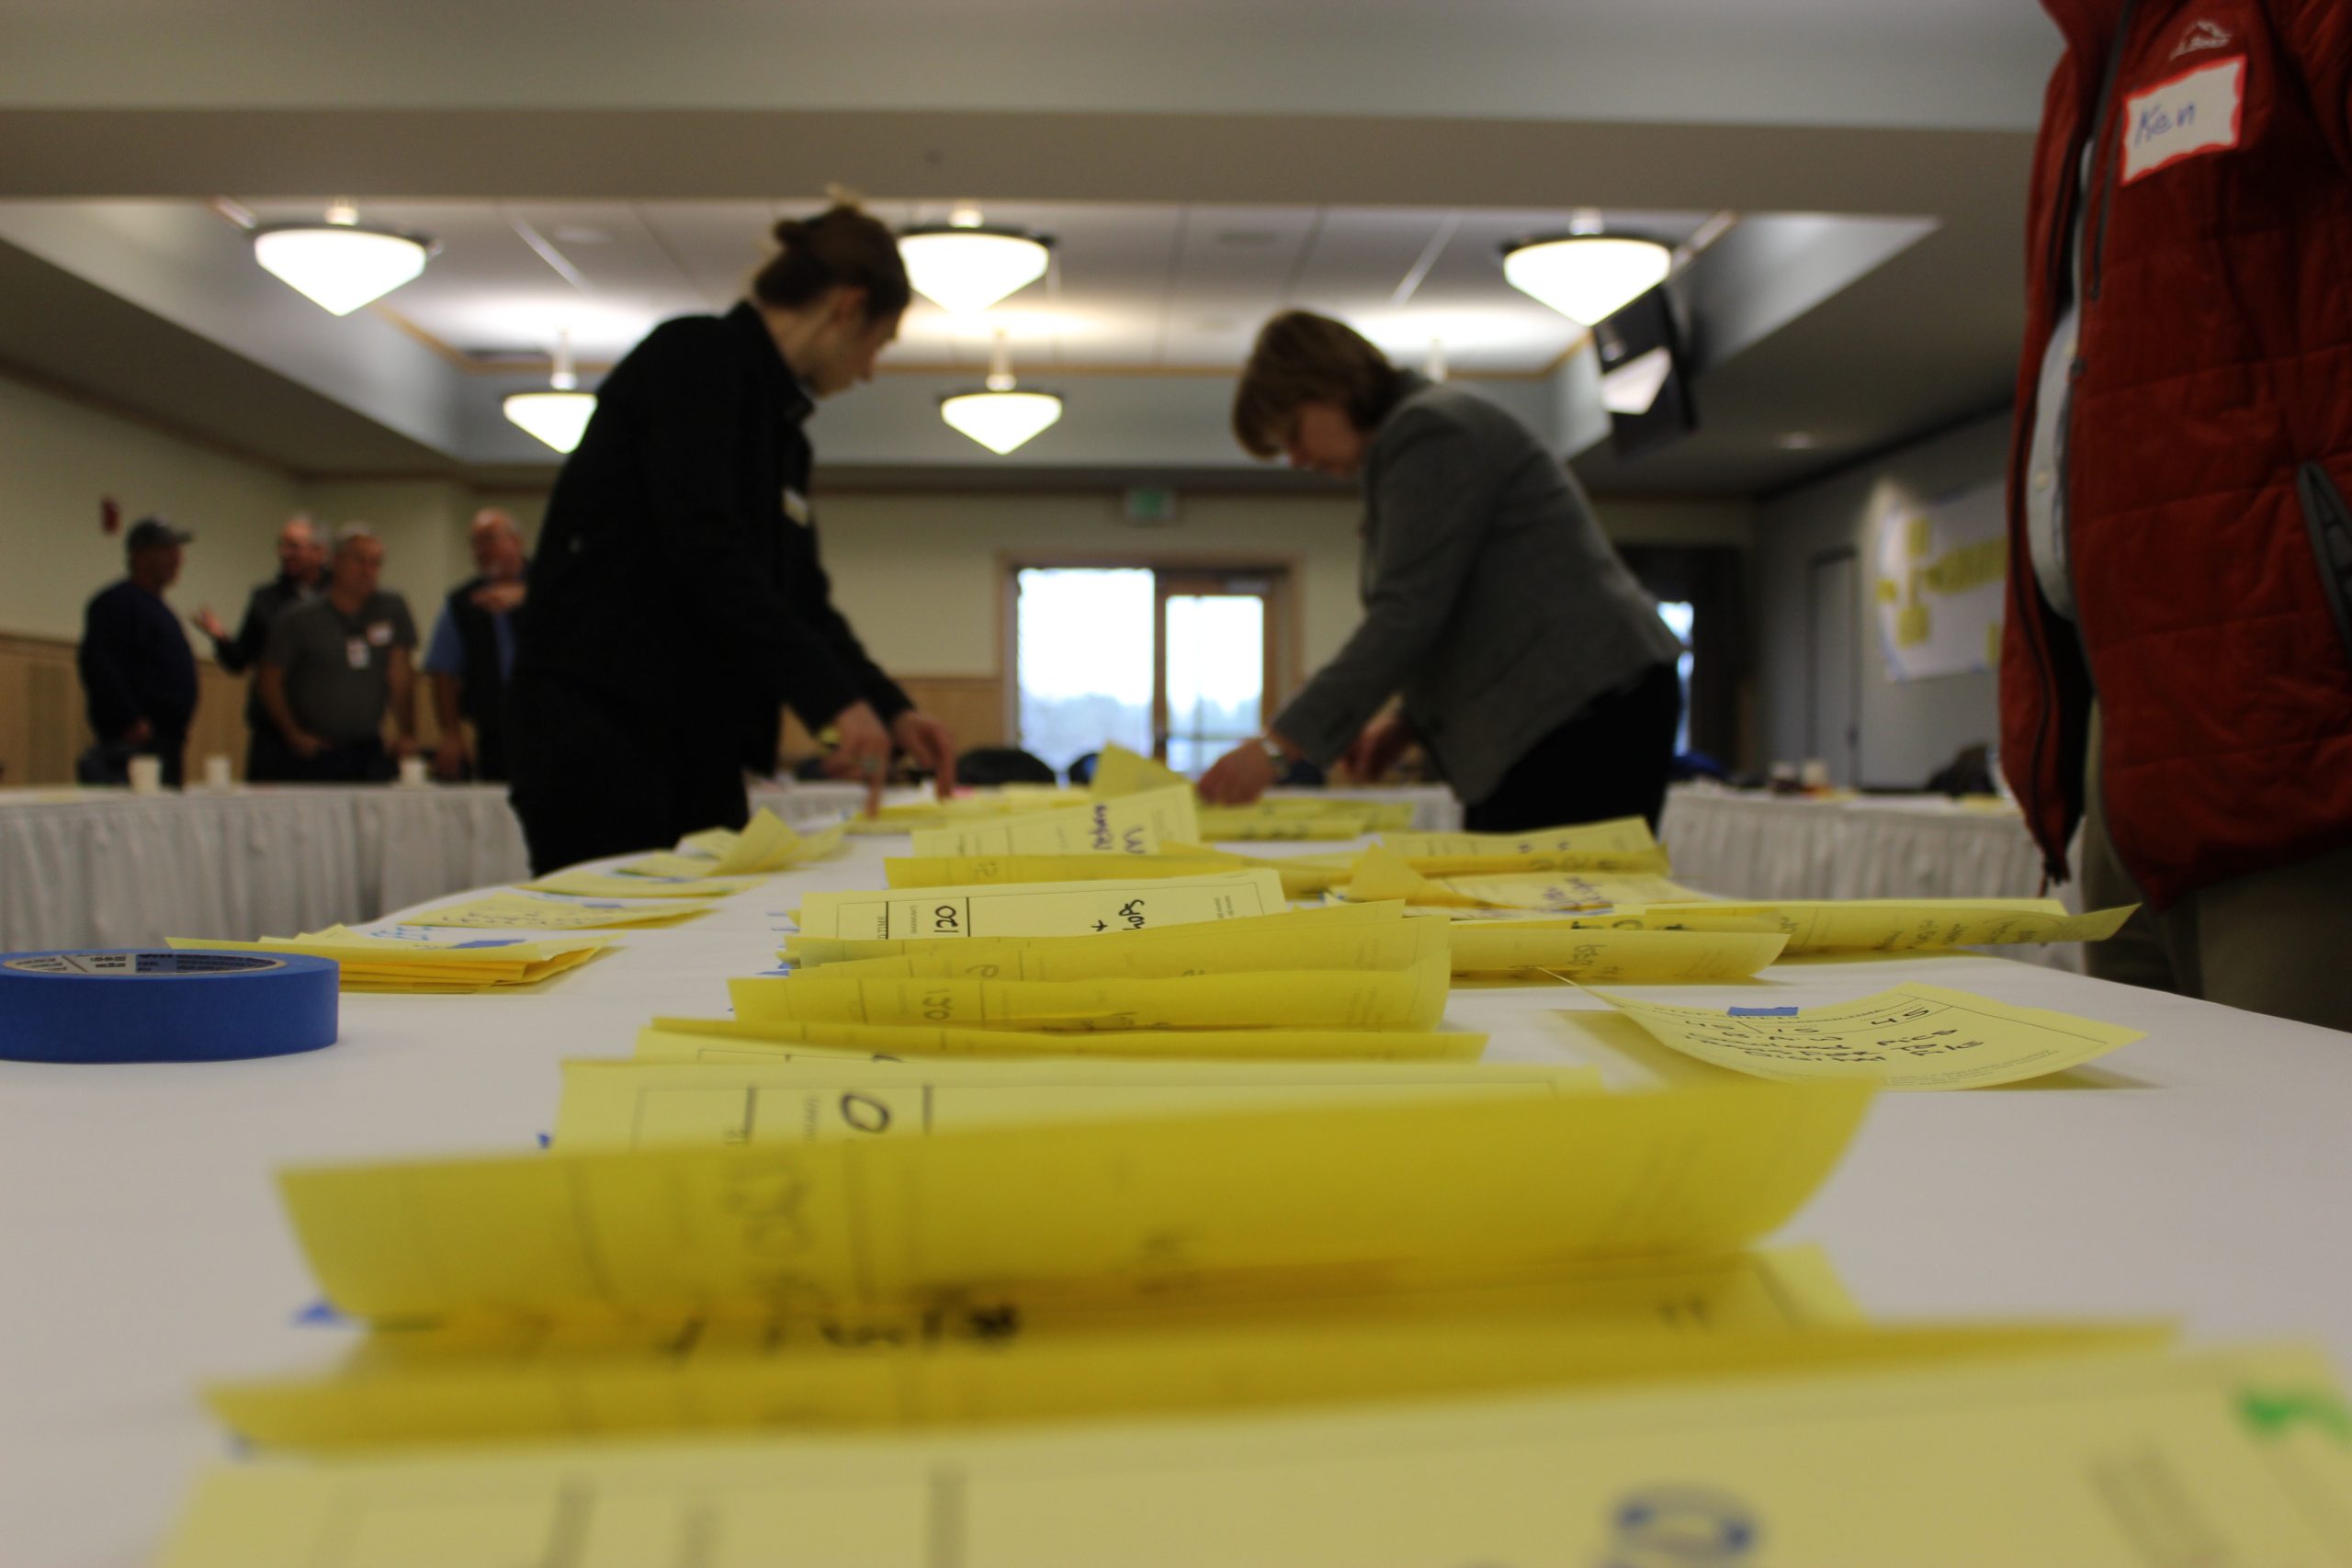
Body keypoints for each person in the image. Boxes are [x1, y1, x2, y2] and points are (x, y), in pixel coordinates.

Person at [1999, 0, 2352, 1032]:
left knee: (2294, 1169)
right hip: (2125, 722)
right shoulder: (2081, 76)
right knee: (2157, 1163)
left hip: (2297, 733)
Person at [506, 200, 956, 874]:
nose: (868, 369)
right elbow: (705, 547)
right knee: (617, 948)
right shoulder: (695, 358)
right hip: (605, 722)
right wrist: (830, 699)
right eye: (877, 343)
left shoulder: (784, 438)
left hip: (696, 733)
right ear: (847, 308)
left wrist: (886, 708)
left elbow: (801, 598)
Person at [1199, 310, 1684, 832]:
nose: (1295, 459)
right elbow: (1468, 608)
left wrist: (1278, 748)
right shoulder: (1421, 432)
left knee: (1543, 898)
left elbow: (1407, 613)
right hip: (1572, 709)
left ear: (1329, 386)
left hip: (1582, 709)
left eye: (1293, 434)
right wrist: (1407, 724)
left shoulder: (1429, 430)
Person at [255, 525, 418, 782]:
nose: (368, 571)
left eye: (376, 563)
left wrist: (407, 733)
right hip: (314, 751)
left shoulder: (391, 609)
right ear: (336, 561)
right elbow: (269, 678)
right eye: (360, 561)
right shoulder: (299, 617)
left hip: (367, 748)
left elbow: (399, 673)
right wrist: (293, 733)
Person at [194, 513, 325, 781]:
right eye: (283, 545)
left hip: (325, 731)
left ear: (318, 552)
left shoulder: (339, 598)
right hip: (272, 732)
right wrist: (220, 637)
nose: (285, 553)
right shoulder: (265, 599)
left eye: (295, 547)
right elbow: (240, 660)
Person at [77, 516, 199, 785]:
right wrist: (128, 719)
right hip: (134, 744)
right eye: (167, 550)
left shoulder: (159, 609)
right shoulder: (116, 603)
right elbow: (101, 666)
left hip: (166, 741)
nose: (177, 559)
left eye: (178, 551)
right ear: (140, 555)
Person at [424, 509, 527, 782]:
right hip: (493, 726)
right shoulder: (463, 602)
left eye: (490, 540)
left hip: (551, 724)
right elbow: (443, 670)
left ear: (516, 542)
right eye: (476, 543)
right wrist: (451, 733)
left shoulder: (550, 586)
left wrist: (531, 598)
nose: (482, 550)